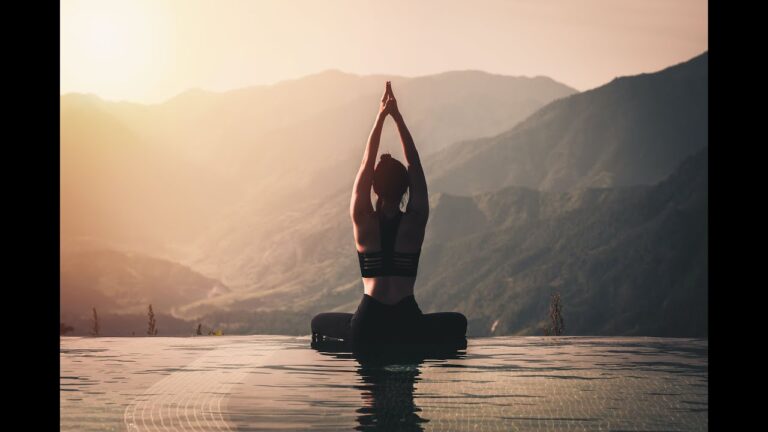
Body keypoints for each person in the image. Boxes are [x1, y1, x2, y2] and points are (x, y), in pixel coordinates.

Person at [311, 82, 467, 346]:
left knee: (318, 322)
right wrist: (397, 117)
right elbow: (414, 163)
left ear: (374, 187)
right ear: (406, 187)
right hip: (408, 324)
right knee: (458, 322)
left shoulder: (362, 218)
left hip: (367, 325)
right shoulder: (415, 219)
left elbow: (366, 163)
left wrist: (380, 116)